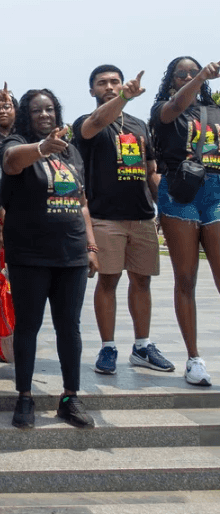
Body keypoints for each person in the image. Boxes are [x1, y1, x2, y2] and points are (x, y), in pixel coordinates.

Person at [1, 90, 98, 429]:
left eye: (50, 109)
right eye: (36, 110)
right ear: (26, 115)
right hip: (30, 253)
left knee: (69, 327)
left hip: (71, 253)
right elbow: (13, 161)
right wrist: (42, 148)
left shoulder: (70, 151)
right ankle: (24, 396)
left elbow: (82, 201)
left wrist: (91, 246)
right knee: (28, 326)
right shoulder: (17, 141)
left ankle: (70, 397)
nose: (44, 115)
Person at [72, 65, 173, 377]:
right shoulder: (86, 124)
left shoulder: (140, 126)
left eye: (115, 81)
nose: (110, 86)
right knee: (109, 281)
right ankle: (108, 346)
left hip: (141, 216)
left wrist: (165, 210)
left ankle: (142, 345)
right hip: (104, 217)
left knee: (142, 281)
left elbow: (151, 170)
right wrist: (126, 97)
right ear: (92, 91)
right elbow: (98, 121)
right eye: (102, 83)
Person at [150, 56, 220, 387]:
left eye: (195, 73)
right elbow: (176, 105)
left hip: (216, 193)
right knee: (186, 279)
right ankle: (194, 359)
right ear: (172, 79)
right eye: (182, 73)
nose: (189, 76)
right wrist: (200, 77)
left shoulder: (216, 111)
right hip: (180, 192)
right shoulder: (166, 109)